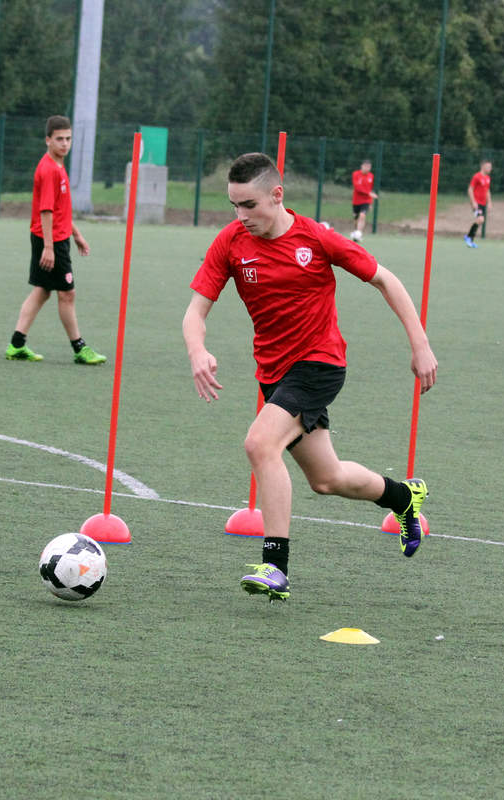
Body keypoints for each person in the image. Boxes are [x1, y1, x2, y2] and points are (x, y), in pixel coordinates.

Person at [183, 152, 438, 602]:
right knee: (327, 479)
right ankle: (402, 498)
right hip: (274, 374)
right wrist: (197, 350)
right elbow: (195, 312)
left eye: (249, 205)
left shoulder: (316, 238)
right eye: (234, 206)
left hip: (320, 364)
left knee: (260, 444)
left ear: (277, 195)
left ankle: (276, 567)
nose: (241, 216)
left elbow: (387, 280)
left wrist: (420, 345)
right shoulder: (231, 242)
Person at [4, 115, 105, 365]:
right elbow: (46, 211)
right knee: (67, 293)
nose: (65, 144)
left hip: (53, 238)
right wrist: (49, 247)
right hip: (51, 241)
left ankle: (16, 344)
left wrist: (76, 234)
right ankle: (79, 348)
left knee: (42, 290)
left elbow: (61, 210)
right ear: (47, 140)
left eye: (68, 139)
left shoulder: (58, 165)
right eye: (59, 139)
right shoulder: (49, 169)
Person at [464, 160, 492, 248]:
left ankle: (469, 238)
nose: (490, 169)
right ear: (482, 166)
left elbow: (487, 191)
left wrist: (489, 202)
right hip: (477, 203)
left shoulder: (488, 178)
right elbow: (470, 189)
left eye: (490, 167)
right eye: (488, 167)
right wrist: (473, 202)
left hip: (483, 203)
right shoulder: (476, 176)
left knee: (480, 220)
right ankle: (469, 238)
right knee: (480, 219)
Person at [350, 159, 377, 242]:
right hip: (356, 201)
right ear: (362, 166)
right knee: (356, 218)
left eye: (369, 167)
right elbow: (357, 188)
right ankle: (356, 231)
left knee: (362, 215)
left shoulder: (371, 176)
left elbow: (370, 189)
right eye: (366, 166)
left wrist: (371, 203)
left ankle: (359, 233)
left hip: (366, 201)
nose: (367, 168)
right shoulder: (355, 174)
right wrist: (368, 193)